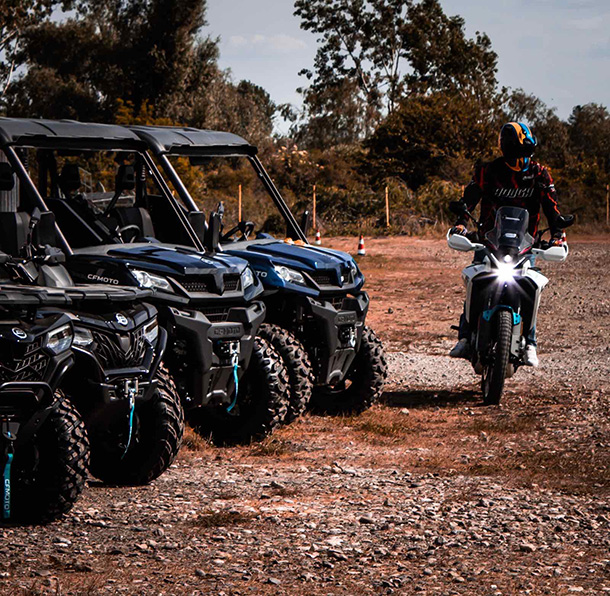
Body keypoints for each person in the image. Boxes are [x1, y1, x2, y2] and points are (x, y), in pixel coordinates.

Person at [449, 122, 565, 367]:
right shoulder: (488, 171)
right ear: (507, 149)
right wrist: (461, 222)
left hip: (525, 244)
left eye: (527, 151)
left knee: (529, 288)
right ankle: (465, 337)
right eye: (519, 151)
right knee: (476, 281)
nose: (523, 157)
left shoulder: (540, 173)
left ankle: (530, 343)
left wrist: (557, 233)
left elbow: (551, 206)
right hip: (489, 242)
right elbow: (469, 199)